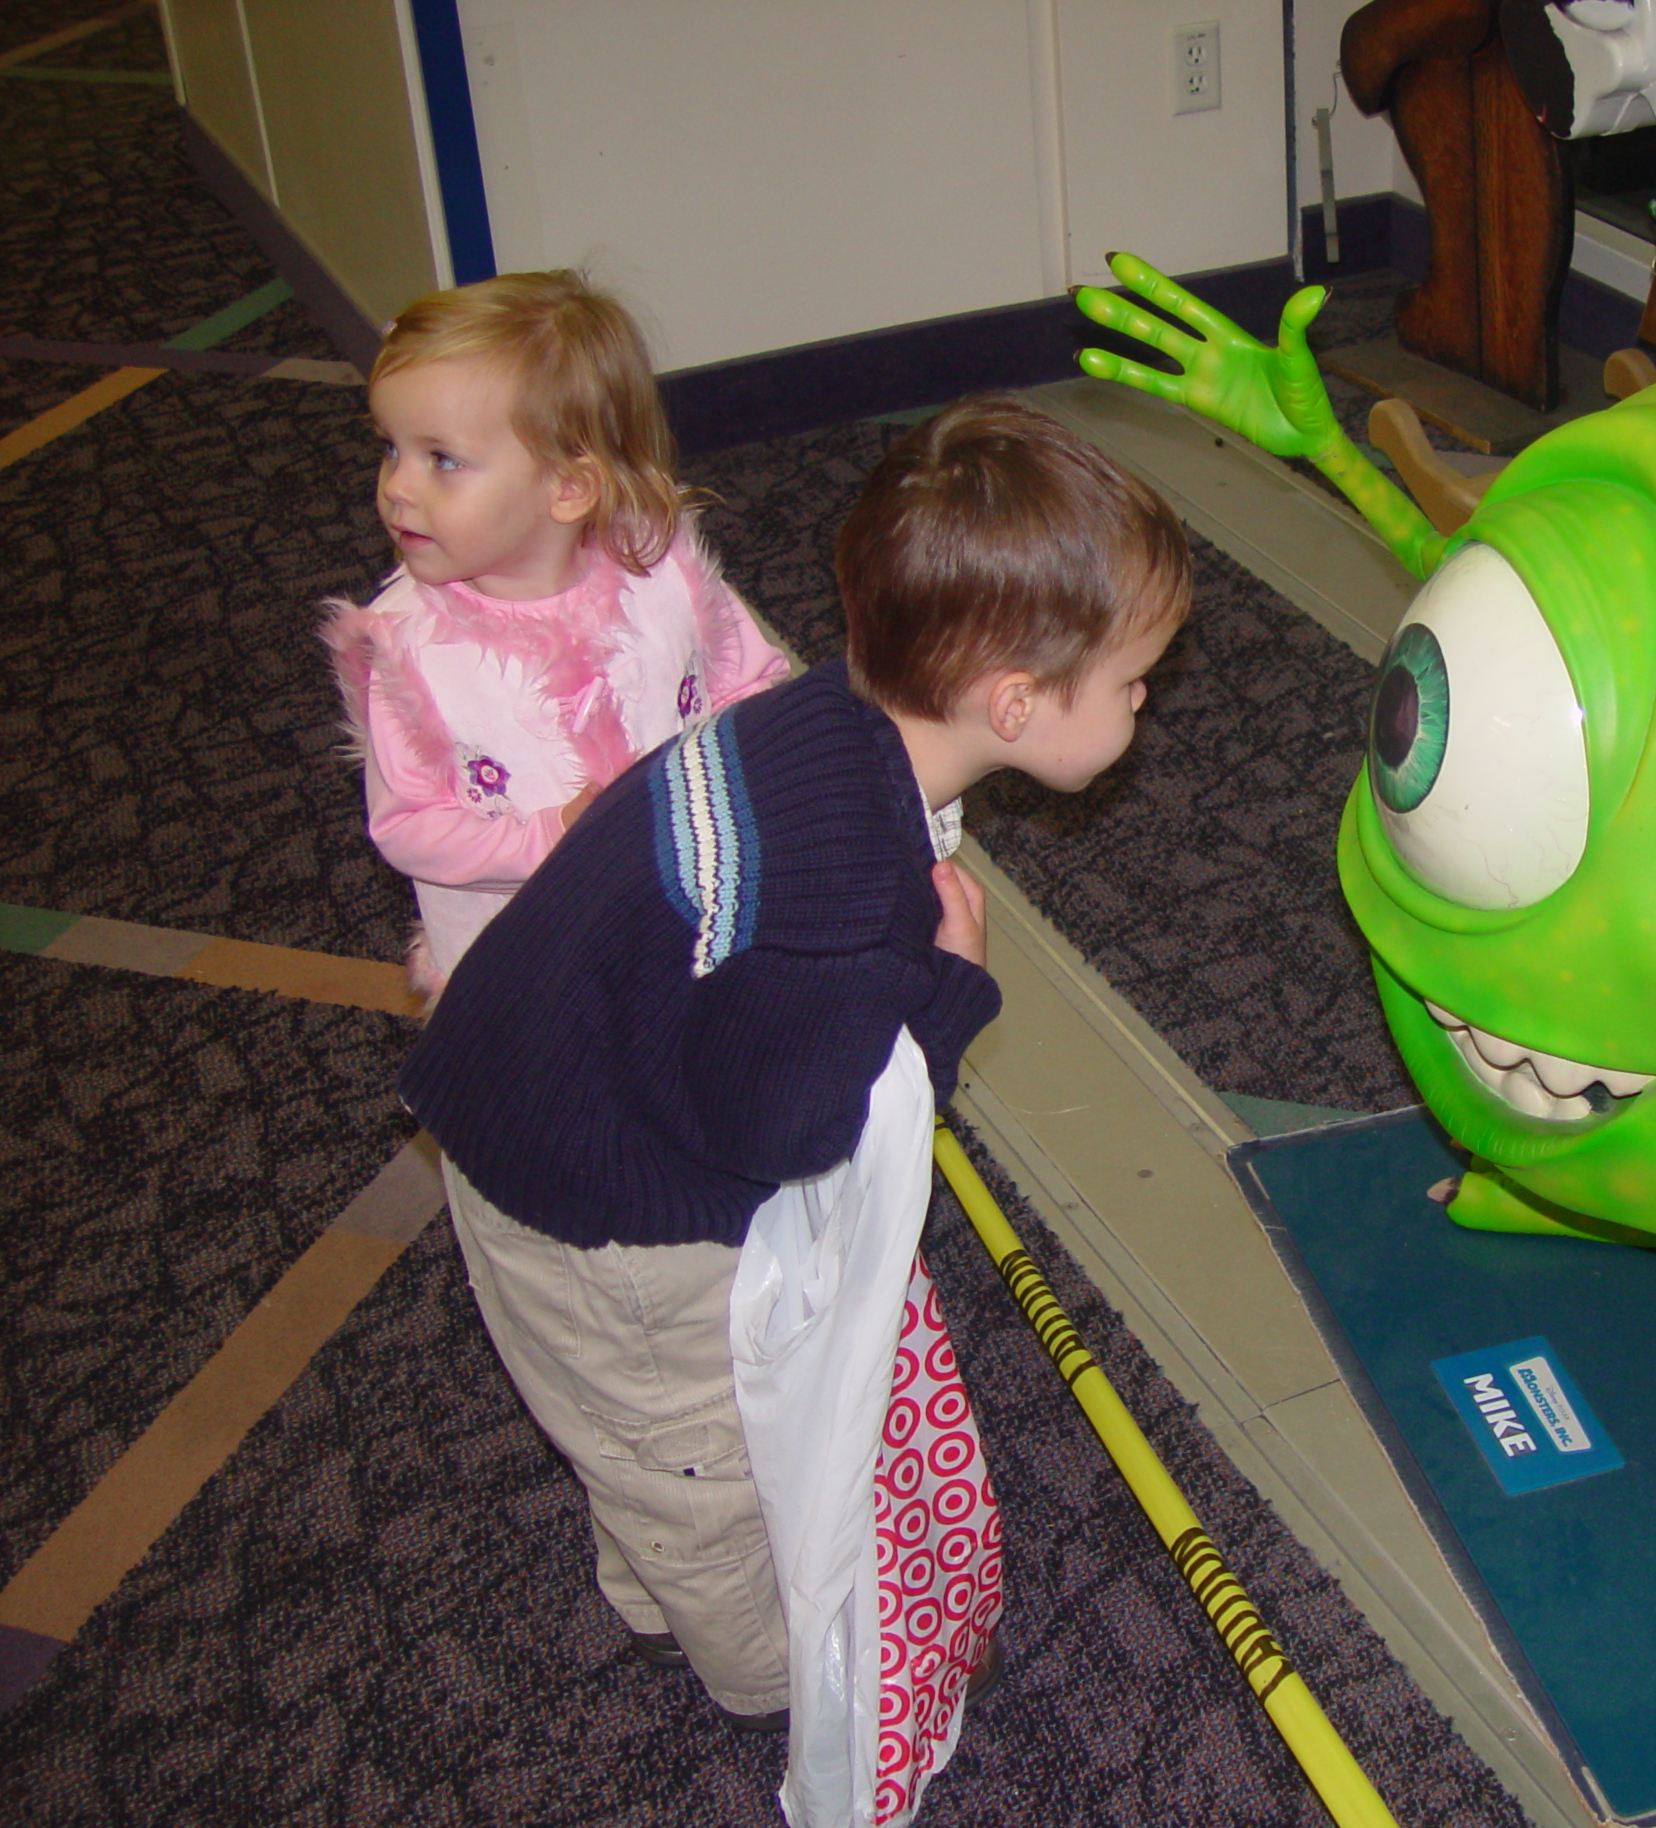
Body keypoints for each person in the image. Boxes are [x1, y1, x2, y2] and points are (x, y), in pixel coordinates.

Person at [396, 393, 1192, 1739]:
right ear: (1013, 701)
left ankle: (650, 1570)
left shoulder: (829, 722)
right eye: (1130, 680)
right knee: (689, 1447)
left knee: (628, 1423)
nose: (1145, 698)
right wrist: (943, 1001)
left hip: (542, 1085)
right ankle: (774, 1672)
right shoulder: (839, 890)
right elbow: (789, 1130)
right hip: (600, 1202)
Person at [325, 269, 790, 999]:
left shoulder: (665, 578)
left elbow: (753, 687)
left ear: (569, 488)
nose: (397, 487)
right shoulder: (410, 652)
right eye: (390, 448)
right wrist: (548, 837)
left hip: (686, 925)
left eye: (441, 459)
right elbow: (408, 827)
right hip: (521, 973)